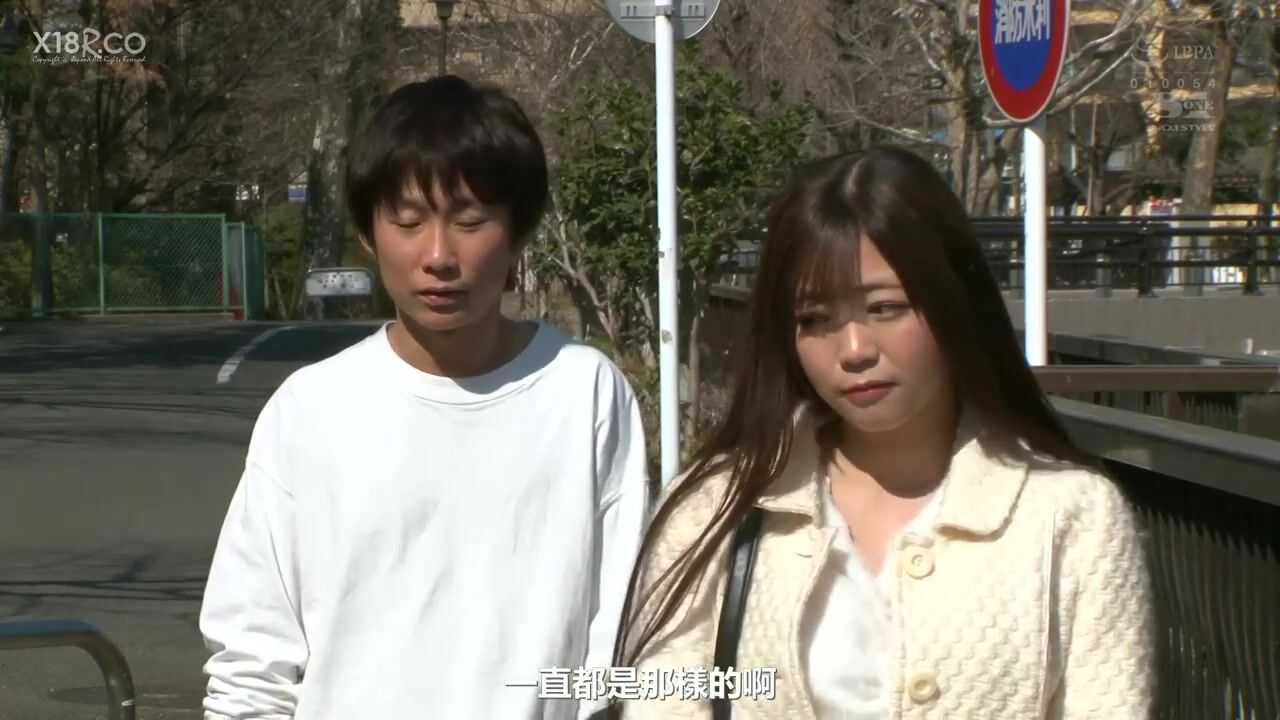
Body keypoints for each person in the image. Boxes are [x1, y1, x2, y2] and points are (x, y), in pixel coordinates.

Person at [607, 147, 1155, 718]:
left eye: (885, 308)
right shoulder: (713, 509)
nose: (853, 350)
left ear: (952, 301)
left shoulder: (1072, 516)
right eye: (814, 319)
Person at [199, 75, 651, 720]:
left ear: (518, 233)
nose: (439, 255)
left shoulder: (584, 392)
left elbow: (622, 640)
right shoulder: (311, 409)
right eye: (408, 222)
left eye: (470, 221)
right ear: (368, 232)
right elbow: (251, 659)